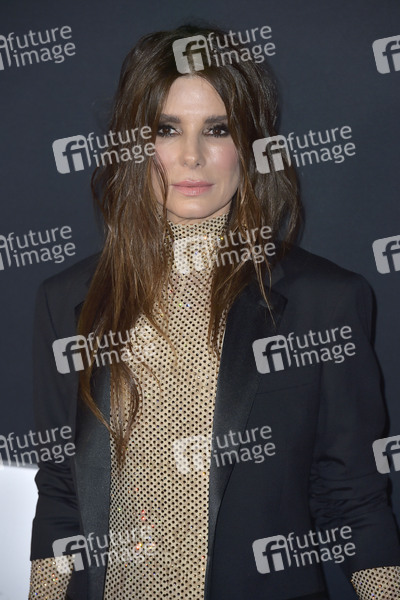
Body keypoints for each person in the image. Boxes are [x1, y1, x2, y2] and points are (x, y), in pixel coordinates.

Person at [29, 23, 400, 600]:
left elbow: (352, 496)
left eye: (217, 129)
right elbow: (61, 490)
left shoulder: (324, 302)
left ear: (250, 145)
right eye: (167, 129)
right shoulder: (67, 300)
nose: (191, 155)